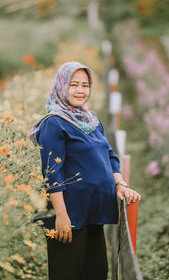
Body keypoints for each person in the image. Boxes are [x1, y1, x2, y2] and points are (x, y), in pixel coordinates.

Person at [30, 61, 141, 280]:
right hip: (69, 215)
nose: (80, 90)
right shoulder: (54, 123)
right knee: (68, 274)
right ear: (62, 86)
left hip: (93, 213)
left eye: (85, 85)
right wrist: (61, 216)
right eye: (73, 85)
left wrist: (120, 183)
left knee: (97, 272)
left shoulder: (91, 120)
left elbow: (109, 156)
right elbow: (52, 173)